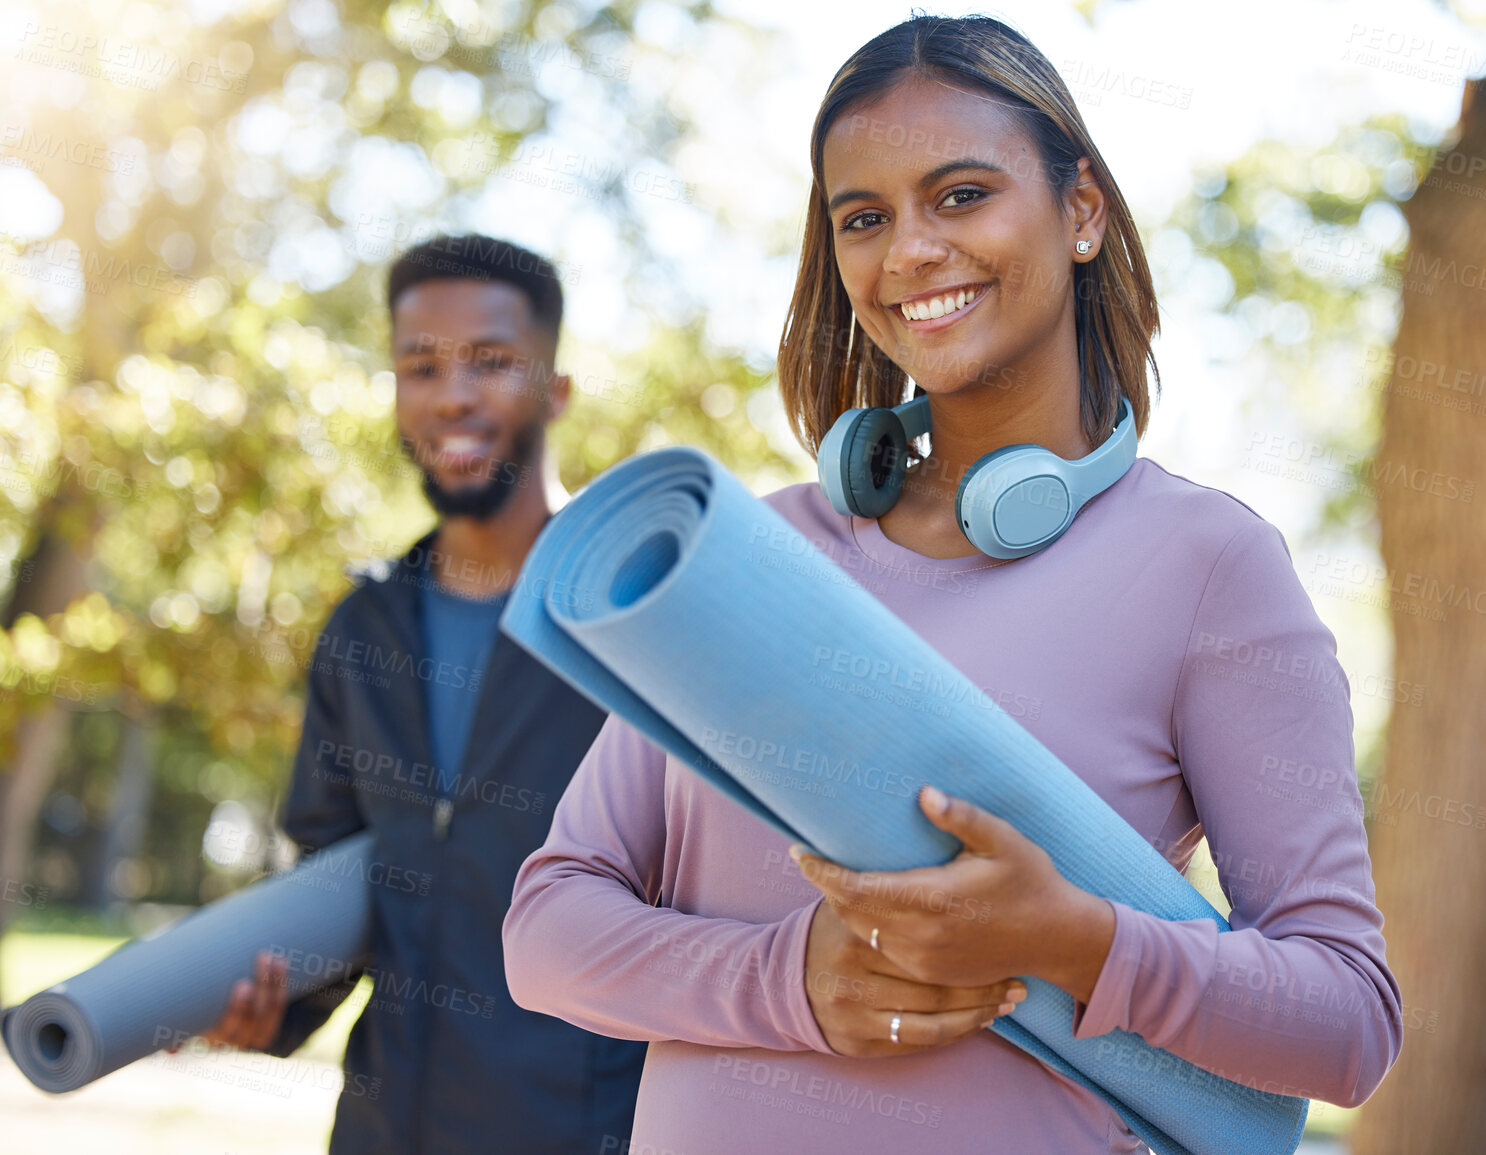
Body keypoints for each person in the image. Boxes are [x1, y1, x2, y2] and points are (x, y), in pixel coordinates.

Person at [501, 16, 1401, 1154]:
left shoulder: (1210, 568)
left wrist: (1072, 938)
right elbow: (547, 930)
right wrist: (789, 982)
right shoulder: (740, 566)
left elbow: (1348, 1026)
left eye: (963, 195)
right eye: (864, 219)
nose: (911, 252)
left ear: (1082, 211)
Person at [184, 235, 646, 1154]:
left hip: (580, 1131)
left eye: (490, 362)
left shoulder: (630, 614)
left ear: (555, 389)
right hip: (380, 1129)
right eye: (420, 365)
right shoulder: (363, 631)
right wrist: (266, 1012)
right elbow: (333, 875)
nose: (452, 394)